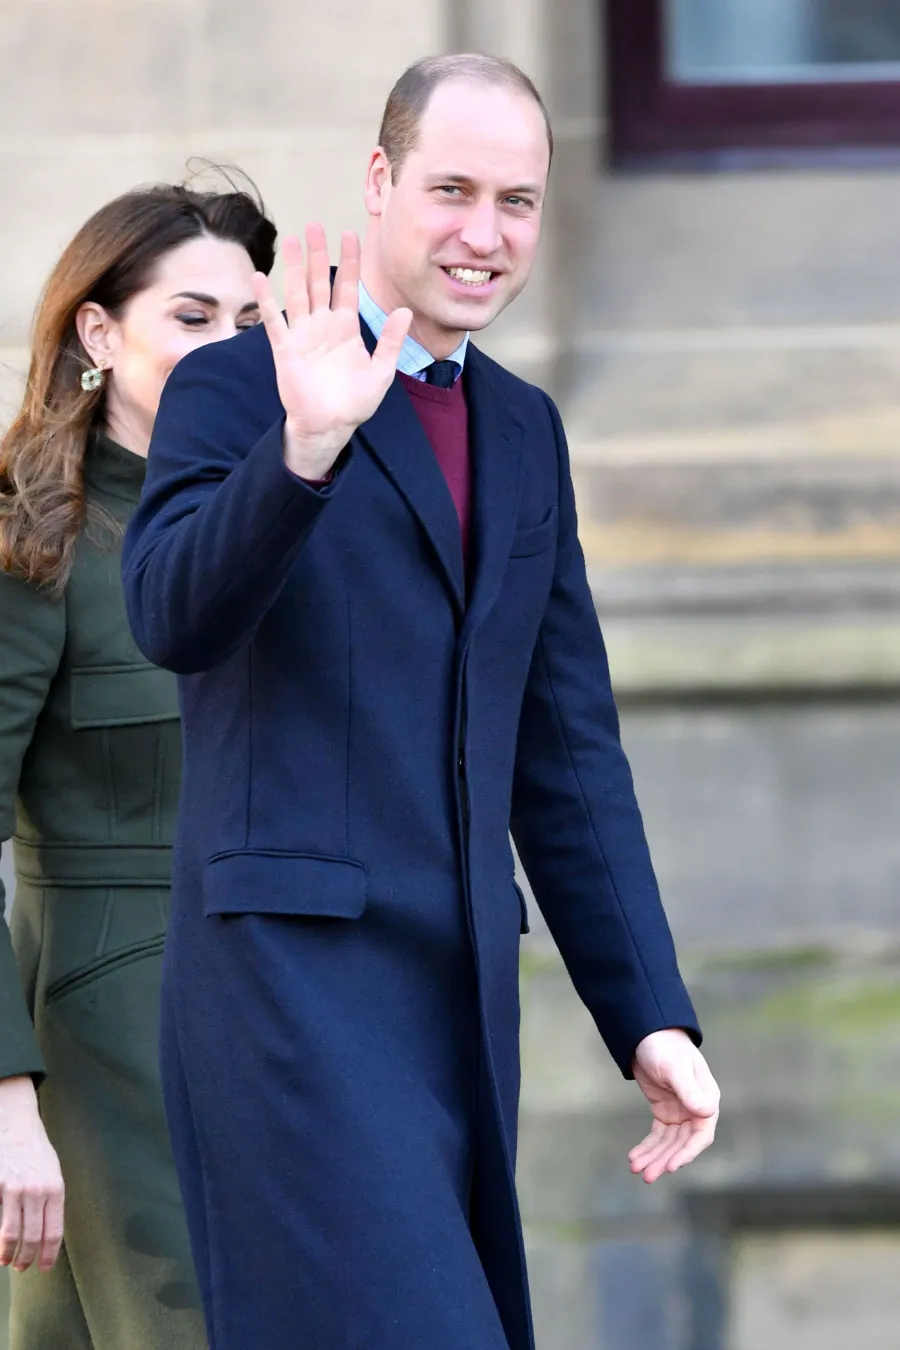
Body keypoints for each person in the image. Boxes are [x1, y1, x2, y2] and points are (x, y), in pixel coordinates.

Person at [122, 55, 720, 1350]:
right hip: (286, 987)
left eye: (517, 200)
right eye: (452, 189)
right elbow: (170, 615)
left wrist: (650, 1012)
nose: (484, 233)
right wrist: (305, 449)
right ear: (382, 181)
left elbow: (564, 752)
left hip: (452, 998)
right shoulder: (238, 388)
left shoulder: (523, 430)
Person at [0, 178, 276, 1349]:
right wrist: (8, 1105)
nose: (230, 350)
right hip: (118, 1044)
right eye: (193, 317)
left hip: (289, 1020)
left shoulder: (294, 512)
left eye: (253, 324)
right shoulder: (31, 536)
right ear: (98, 334)